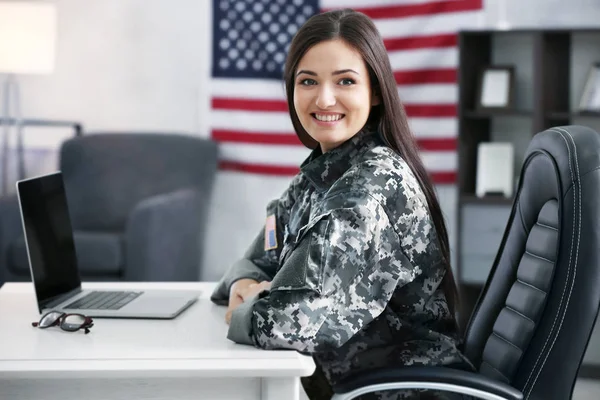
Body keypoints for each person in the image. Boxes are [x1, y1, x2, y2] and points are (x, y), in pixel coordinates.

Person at [210, 8, 474, 400]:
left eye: (345, 81)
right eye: (308, 81)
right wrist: (248, 284)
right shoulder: (322, 173)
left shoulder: (366, 193)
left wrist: (250, 301)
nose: (324, 98)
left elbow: (284, 324)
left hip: (398, 393)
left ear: (376, 92)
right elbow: (256, 260)